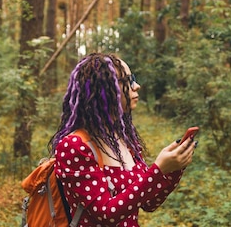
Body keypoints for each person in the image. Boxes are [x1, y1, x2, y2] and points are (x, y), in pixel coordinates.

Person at [49, 53, 196, 226]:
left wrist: (173, 168)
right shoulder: (74, 146)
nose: (137, 86)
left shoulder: (125, 139)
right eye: (127, 80)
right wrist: (157, 171)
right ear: (103, 89)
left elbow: (149, 203)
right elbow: (106, 213)